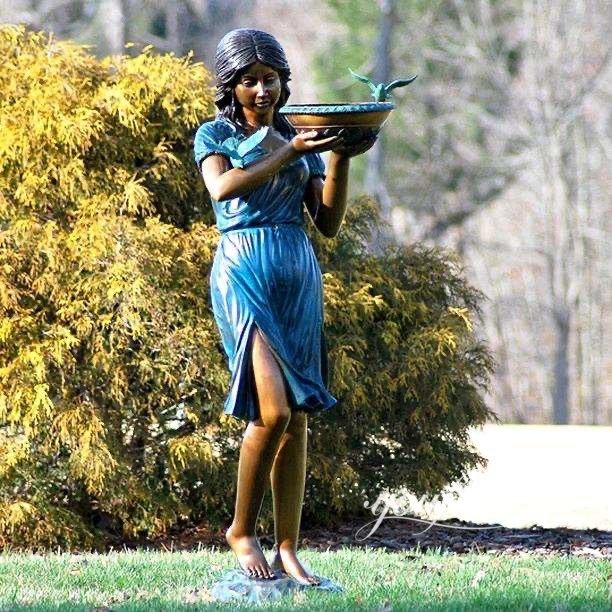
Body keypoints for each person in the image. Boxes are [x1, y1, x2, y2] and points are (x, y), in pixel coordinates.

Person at [194, 28, 375, 586]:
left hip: (297, 273)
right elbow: (223, 190)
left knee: (296, 418)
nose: (261, 89)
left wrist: (340, 157)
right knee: (271, 412)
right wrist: (289, 151)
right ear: (231, 85)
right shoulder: (215, 134)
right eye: (248, 80)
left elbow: (327, 223)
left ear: (282, 81)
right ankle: (241, 530)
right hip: (243, 271)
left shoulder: (299, 134)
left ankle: (289, 548)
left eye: (269, 78)